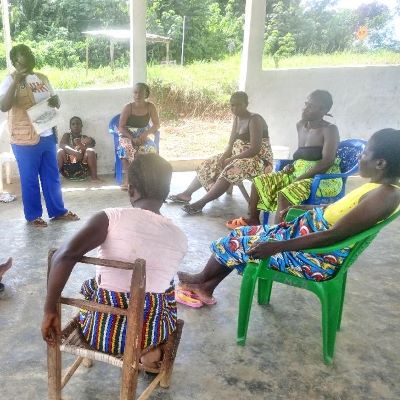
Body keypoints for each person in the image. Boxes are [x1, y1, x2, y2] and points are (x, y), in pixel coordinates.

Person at [177, 129, 400, 304]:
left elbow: (333, 236)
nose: (361, 158)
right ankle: (205, 286)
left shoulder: (384, 195)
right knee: (243, 234)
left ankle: (203, 282)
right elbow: (339, 213)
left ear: (380, 163)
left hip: (315, 258)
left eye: (365, 153)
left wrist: (278, 246)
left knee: (238, 241)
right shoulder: (377, 188)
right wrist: (308, 210)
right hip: (306, 235)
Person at [41, 154, 188, 368]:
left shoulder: (111, 217)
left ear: (131, 189)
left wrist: (49, 310)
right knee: (167, 287)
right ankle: (151, 354)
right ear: (166, 193)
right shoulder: (179, 237)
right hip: (144, 338)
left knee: (93, 284)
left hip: (99, 332)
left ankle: (89, 353)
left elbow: (62, 256)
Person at [227, 90, 341, 228]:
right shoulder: (301, 126)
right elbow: (303, 154)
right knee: (258, 182)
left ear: (324, 110)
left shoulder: (329, 129)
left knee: (284, 194)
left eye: (311, 106)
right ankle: (253, 220)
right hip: (297, 172)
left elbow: (327, 161)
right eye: (306, 104)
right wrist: (294, 165)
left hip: (321, 178)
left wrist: (302, 176)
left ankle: (278, 233)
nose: (305, 108)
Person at [0, 44, 79, 227]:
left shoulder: (42, 78)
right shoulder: (9, 80)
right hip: (24, 138)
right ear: (15, 61)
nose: (28, 56)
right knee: (29, 179)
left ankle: (58, 211)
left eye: (29, 52)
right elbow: (4, 106)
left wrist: (55, 100)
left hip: (47, 134)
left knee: (52, 177)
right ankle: (33, 215)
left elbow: (55, 100)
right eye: (23, 55)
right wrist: (16, 81)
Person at [168, 91, 273, 215]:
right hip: (239, 156)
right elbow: (230, 143)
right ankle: (186, 194)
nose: (235, 108)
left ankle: (200, 203)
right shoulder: (237, 118)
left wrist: (233, 158)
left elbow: (255, 148)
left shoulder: (255, 119)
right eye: (232, 105)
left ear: (246, 104)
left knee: (232, 168)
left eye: (238, 105)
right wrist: (224, 155)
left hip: (259, 161)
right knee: (209, 163)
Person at [118, 82, 160, 190]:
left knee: (150, 148)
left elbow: (156, 125)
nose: (137, 95)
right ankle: (128, 180)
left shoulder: (150, 107)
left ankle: (145, 179)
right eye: (135, 92)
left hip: (143, 134)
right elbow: (121, 127)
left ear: (146, 94)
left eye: (140, 93)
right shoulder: (128, 107)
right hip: (127, 135)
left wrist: (145, 135)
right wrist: (132, 138)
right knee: (125, 149)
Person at [58, 116, 100, 181]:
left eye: (78, 124)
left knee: (90, 151)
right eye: (73, 124)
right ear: (70, 126)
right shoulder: (67, 135)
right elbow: (62, 145)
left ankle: (94, 178)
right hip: (68, 170)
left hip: (82, 170)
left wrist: (80, 145)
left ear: (81, 126)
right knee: (60, 151)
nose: (76, 126)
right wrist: (74, 152)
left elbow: (88, 150)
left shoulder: (84, 137)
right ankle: (55, 178)